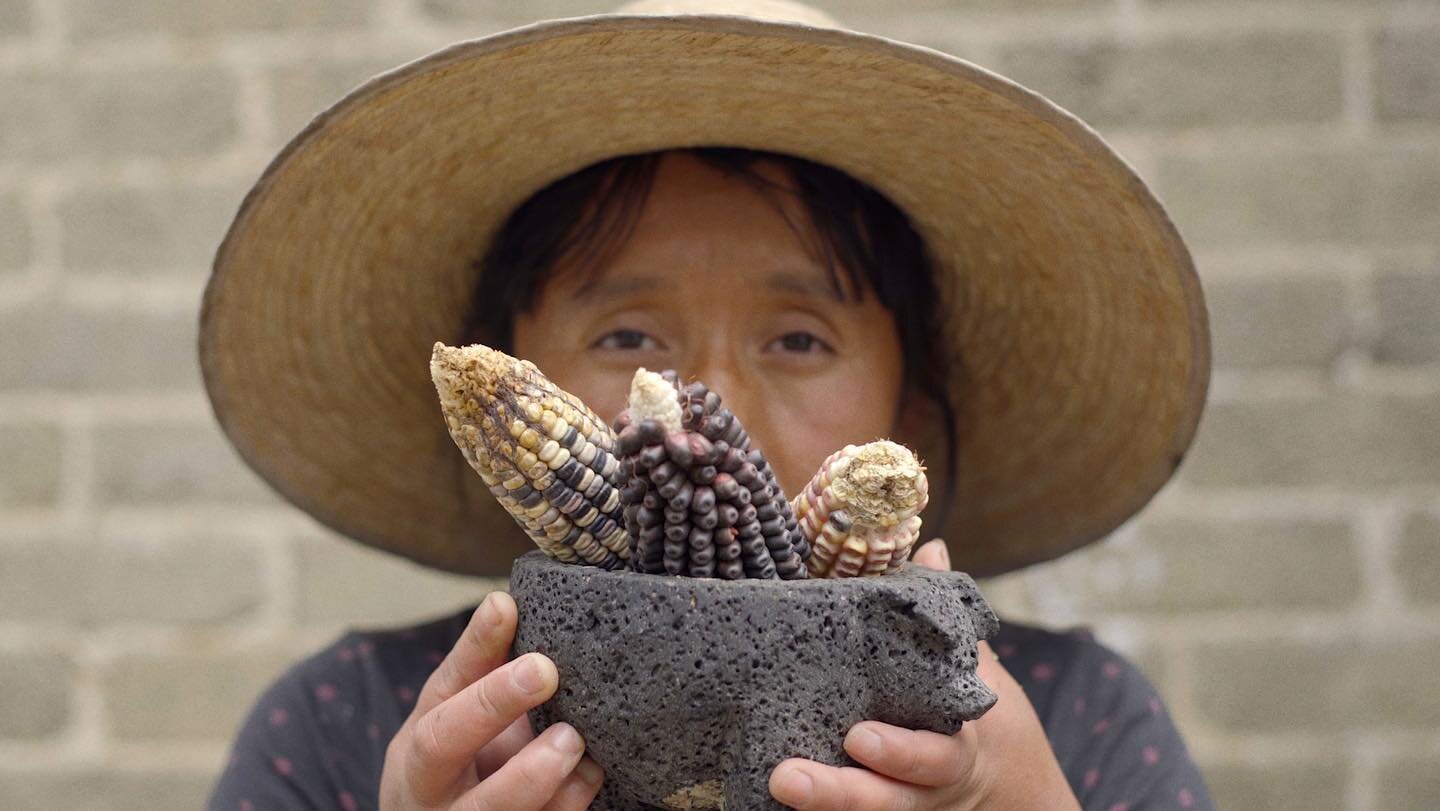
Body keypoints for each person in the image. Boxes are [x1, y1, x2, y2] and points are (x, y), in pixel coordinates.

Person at [201, 3, 1213, 809]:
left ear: (909, 407)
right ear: (516, 379)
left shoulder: (1077, 720)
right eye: (629, 339)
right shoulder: (344, 727)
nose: (701, 407)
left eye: (799, 339)